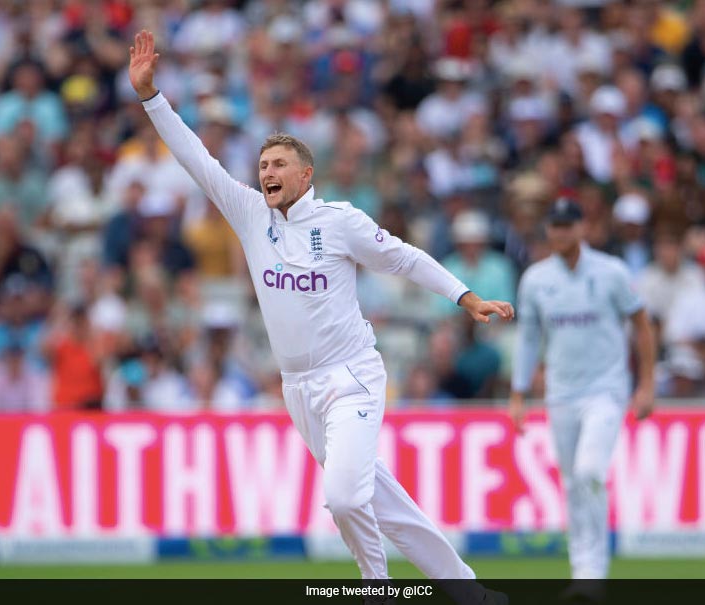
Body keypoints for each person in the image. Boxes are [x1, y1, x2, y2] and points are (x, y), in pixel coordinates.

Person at [128, 31, 512, 603]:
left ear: (306, 174)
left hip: (350, 374)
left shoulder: (339, 221)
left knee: (345, 499)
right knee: (380, 501)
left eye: (280, 163)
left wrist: (466, 296)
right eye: (262, 164)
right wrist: (151, 97)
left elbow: (403, 257)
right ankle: (469, 592)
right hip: (297, 388)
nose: (267, 172)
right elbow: (195, 159)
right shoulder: (248, 212)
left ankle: (375, 589)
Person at [509, 198, 655, 583]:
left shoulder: (611, 272)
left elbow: (642, 326)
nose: (559, 232)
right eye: (554, 225)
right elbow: (527, 339)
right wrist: (519, 393)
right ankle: (583, 572)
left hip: (606, 389)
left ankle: (595, 569)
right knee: (573, 481)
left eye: (567, 225)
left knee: (590, 470)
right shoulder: (537, 279)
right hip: (561, 393)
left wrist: (647, 385)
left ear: (582, 229)